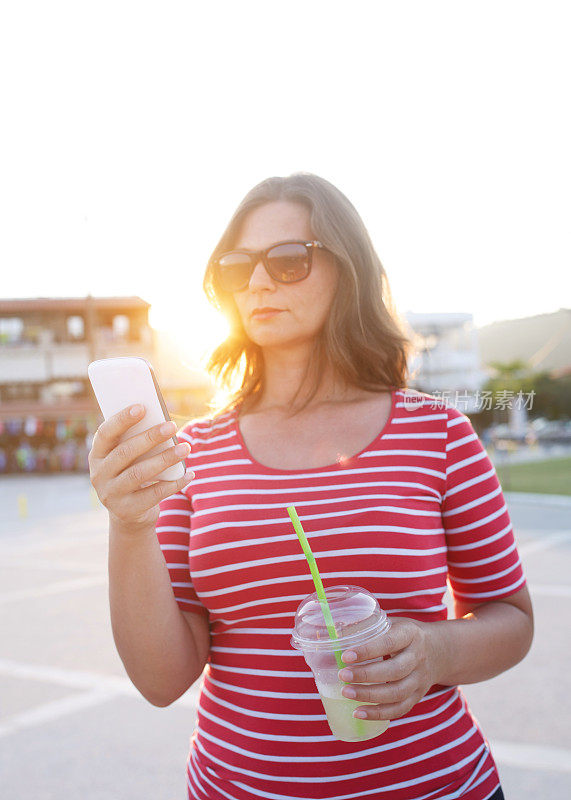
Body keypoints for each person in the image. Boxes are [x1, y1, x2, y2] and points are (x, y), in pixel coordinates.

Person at [88, 173, 533, 800]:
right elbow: (161, 681)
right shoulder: (196, 453)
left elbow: (510, 620)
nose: (260, 283)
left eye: (290, 259)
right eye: (237, 266)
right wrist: (128, 524)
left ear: (347, 271)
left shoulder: (438, 433)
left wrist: (434, 651)